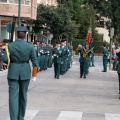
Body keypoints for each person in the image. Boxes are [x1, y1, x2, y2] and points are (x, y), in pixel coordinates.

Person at [2, 26, 38, 120]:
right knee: (23, 95)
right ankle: (21, 117)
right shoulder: (30, 46)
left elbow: (5, 59)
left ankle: (13, 118)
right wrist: (34, 74)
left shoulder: (10, 45)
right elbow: (35, 61)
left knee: (13, 96)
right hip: (25, 71)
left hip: (13, 71)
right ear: (25, 36)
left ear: (17, 35)